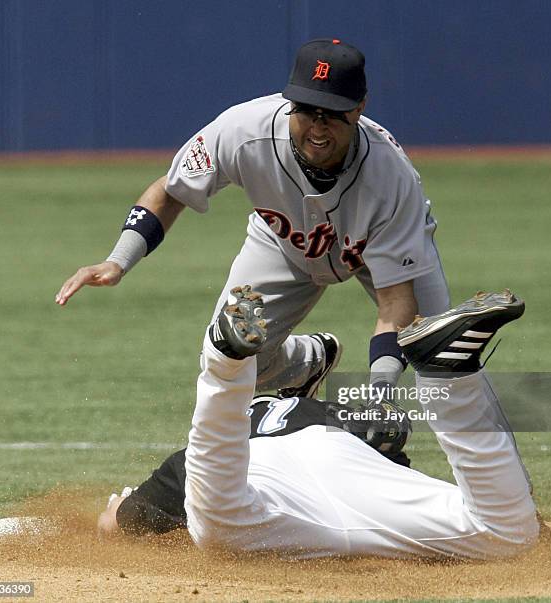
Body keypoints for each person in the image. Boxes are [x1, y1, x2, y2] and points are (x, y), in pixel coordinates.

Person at [55, 38, 450, 398]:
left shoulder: (391, 177)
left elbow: (396, 304)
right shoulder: (243, 131)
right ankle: (308, 361)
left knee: (442, 368)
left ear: (360, 107)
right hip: (283, 242)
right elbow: (171, 191)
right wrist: (118, 259)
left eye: (331, 113)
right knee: (227, 358)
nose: (317, 126)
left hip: (376, 245)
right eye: (306, 110)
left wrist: (379, 391)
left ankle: (483, 475)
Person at [98, 287, 542, 559]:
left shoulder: (213, 449)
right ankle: (451, 376)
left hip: (261, 494)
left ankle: (226, 360)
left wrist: (118, 513)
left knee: (216, 522)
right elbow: (390, 450)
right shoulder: (333, 413)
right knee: (507, 534)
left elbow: (119, 525)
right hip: (344, 456)